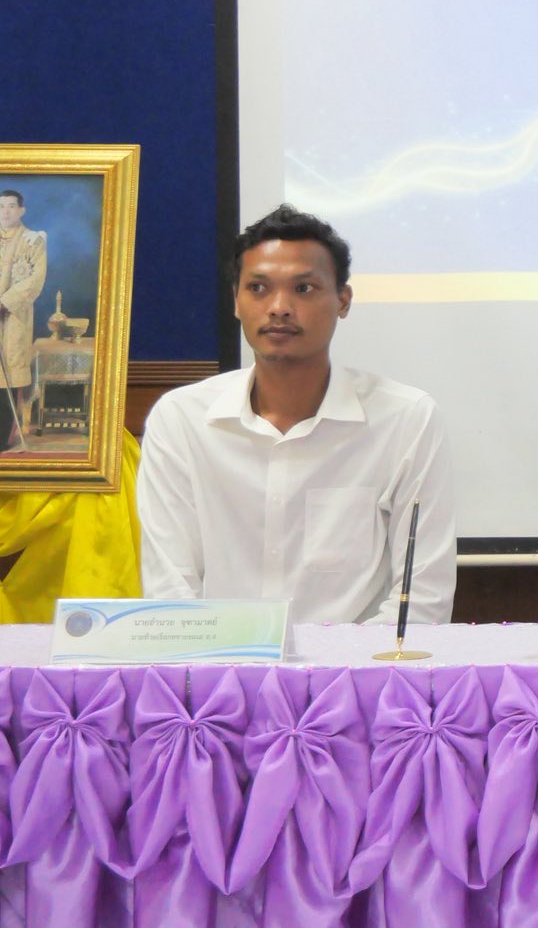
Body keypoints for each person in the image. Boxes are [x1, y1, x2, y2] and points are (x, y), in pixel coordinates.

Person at [138, 204, 456, 623]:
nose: (279, 307)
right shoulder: (182, 420)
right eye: (258, 288)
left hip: (357, 662)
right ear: (236, 301)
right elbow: (170, 590)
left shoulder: (406, 419)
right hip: (222, 660)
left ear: (343, 301)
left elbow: (422, 601)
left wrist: (340, 664)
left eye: (303, 288)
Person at [0, 189, 46, 451]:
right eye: (1, 206)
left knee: (7, 375)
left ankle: (3, 437)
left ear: (21, 210)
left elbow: (35, 280)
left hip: (13, 318)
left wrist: (4, 303)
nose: (5, 212)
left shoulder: (32, 241)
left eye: (10, 206)